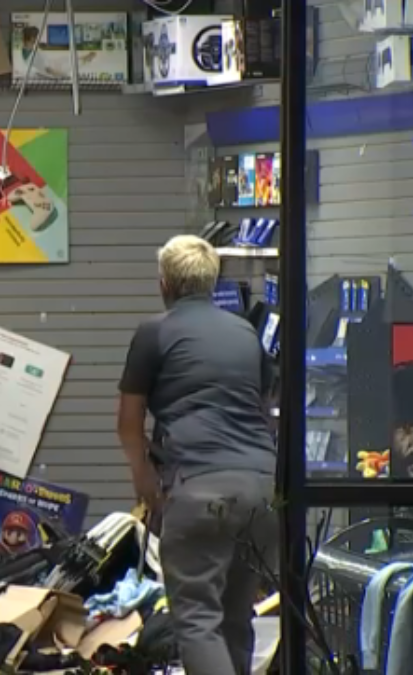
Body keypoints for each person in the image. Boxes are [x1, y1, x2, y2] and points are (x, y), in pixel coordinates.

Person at [115, 234, 278, 675]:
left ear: (164, 283)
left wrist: (147, 486)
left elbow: (128, 424)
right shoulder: (246, 332)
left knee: (198, 621)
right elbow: (264, 414)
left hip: (200, 489)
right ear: (212, 283)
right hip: (260, 490)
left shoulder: (155, 333)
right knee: (235, 619)